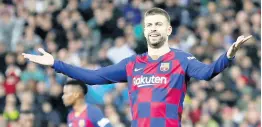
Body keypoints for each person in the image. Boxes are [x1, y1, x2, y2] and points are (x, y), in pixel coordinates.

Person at [22, 7, 252, 127]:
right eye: (149, 24)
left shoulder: (181, 60)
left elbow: (207, 73)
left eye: (158, 24)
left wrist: (228, 55)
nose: (153, 28)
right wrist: (56, 63)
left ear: (168, 30)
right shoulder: (133, 64)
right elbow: (92, 76)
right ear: (144, 30)